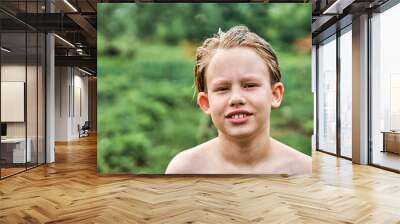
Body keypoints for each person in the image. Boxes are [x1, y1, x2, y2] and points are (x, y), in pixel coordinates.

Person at [165, 25, 311, 175]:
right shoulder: (184, 170)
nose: (236, 98)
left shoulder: (305, 170)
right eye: (222, 88)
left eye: (250, 85)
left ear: (275, 94)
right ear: (206, 103)